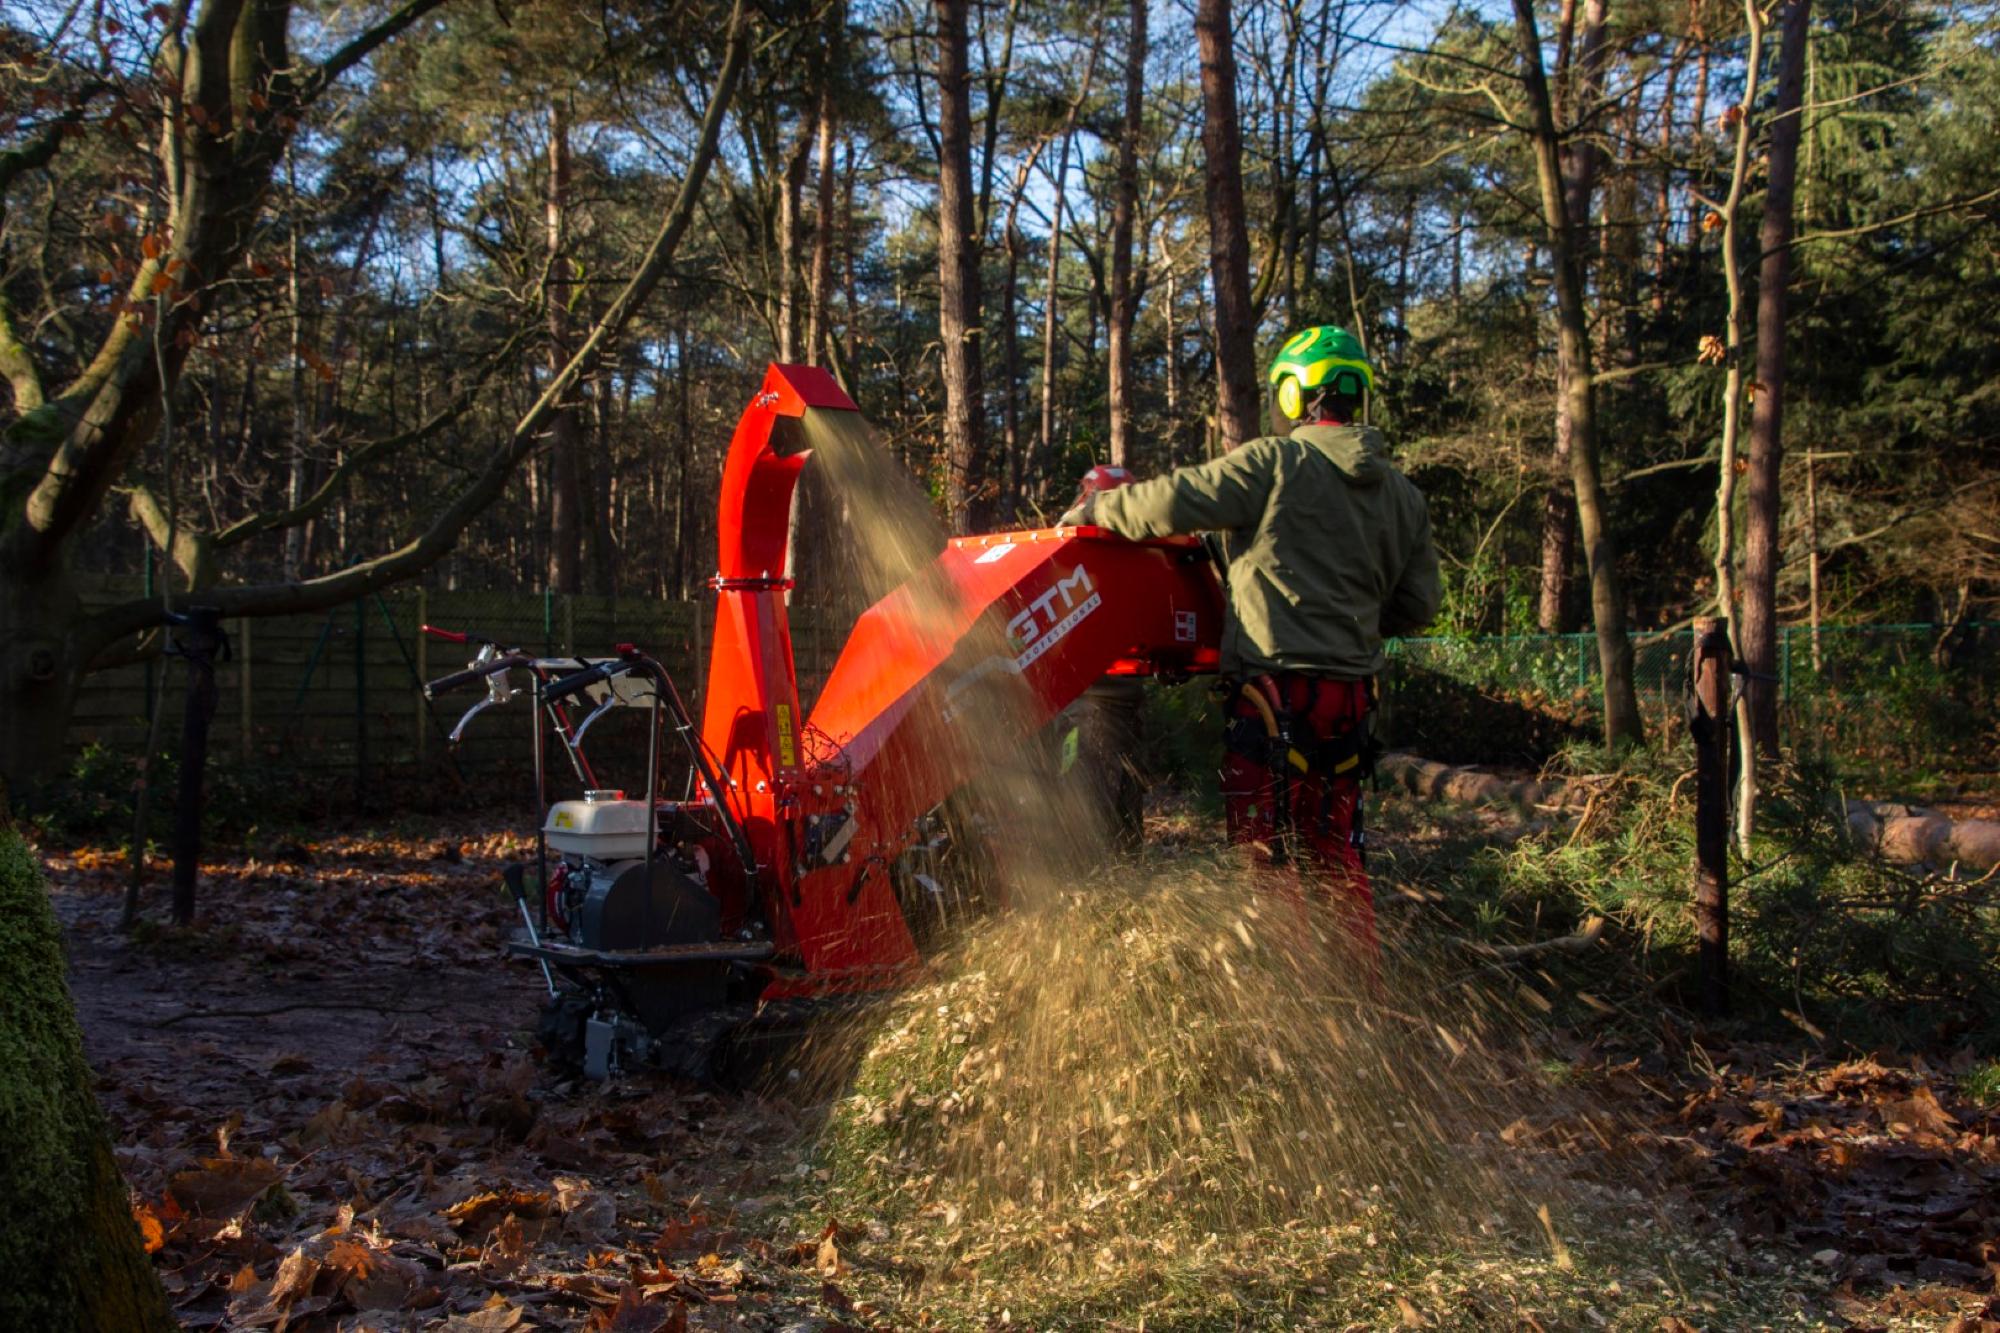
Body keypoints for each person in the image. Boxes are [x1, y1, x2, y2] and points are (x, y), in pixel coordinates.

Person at [1058, 325, 1440, 970]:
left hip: (1274, 696)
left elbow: (1172, 501)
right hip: (1352, 701)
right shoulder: (1403, 494)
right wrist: (1349, 623)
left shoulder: (1276, 463)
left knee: (1267, 851)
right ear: (1359, 394)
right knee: (1335, 847)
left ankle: (1290, 994)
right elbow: (1418, 607)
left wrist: (1094, 509)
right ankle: (1358, 990)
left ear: (1292, 395)